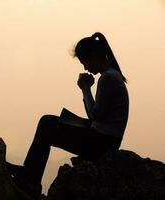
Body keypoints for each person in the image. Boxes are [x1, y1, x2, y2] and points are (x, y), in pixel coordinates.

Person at [7, 32, 129, 199]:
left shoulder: (108, 78)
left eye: (84, 62)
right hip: (103, 137)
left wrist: (85, 89)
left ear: (93, 56)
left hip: (101, 143)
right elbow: (98, 117)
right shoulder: (111, 76)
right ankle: (30, 173)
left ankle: (31, 177)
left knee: (47, 124)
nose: (85, 68)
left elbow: (95, 115)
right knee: (50, 121)